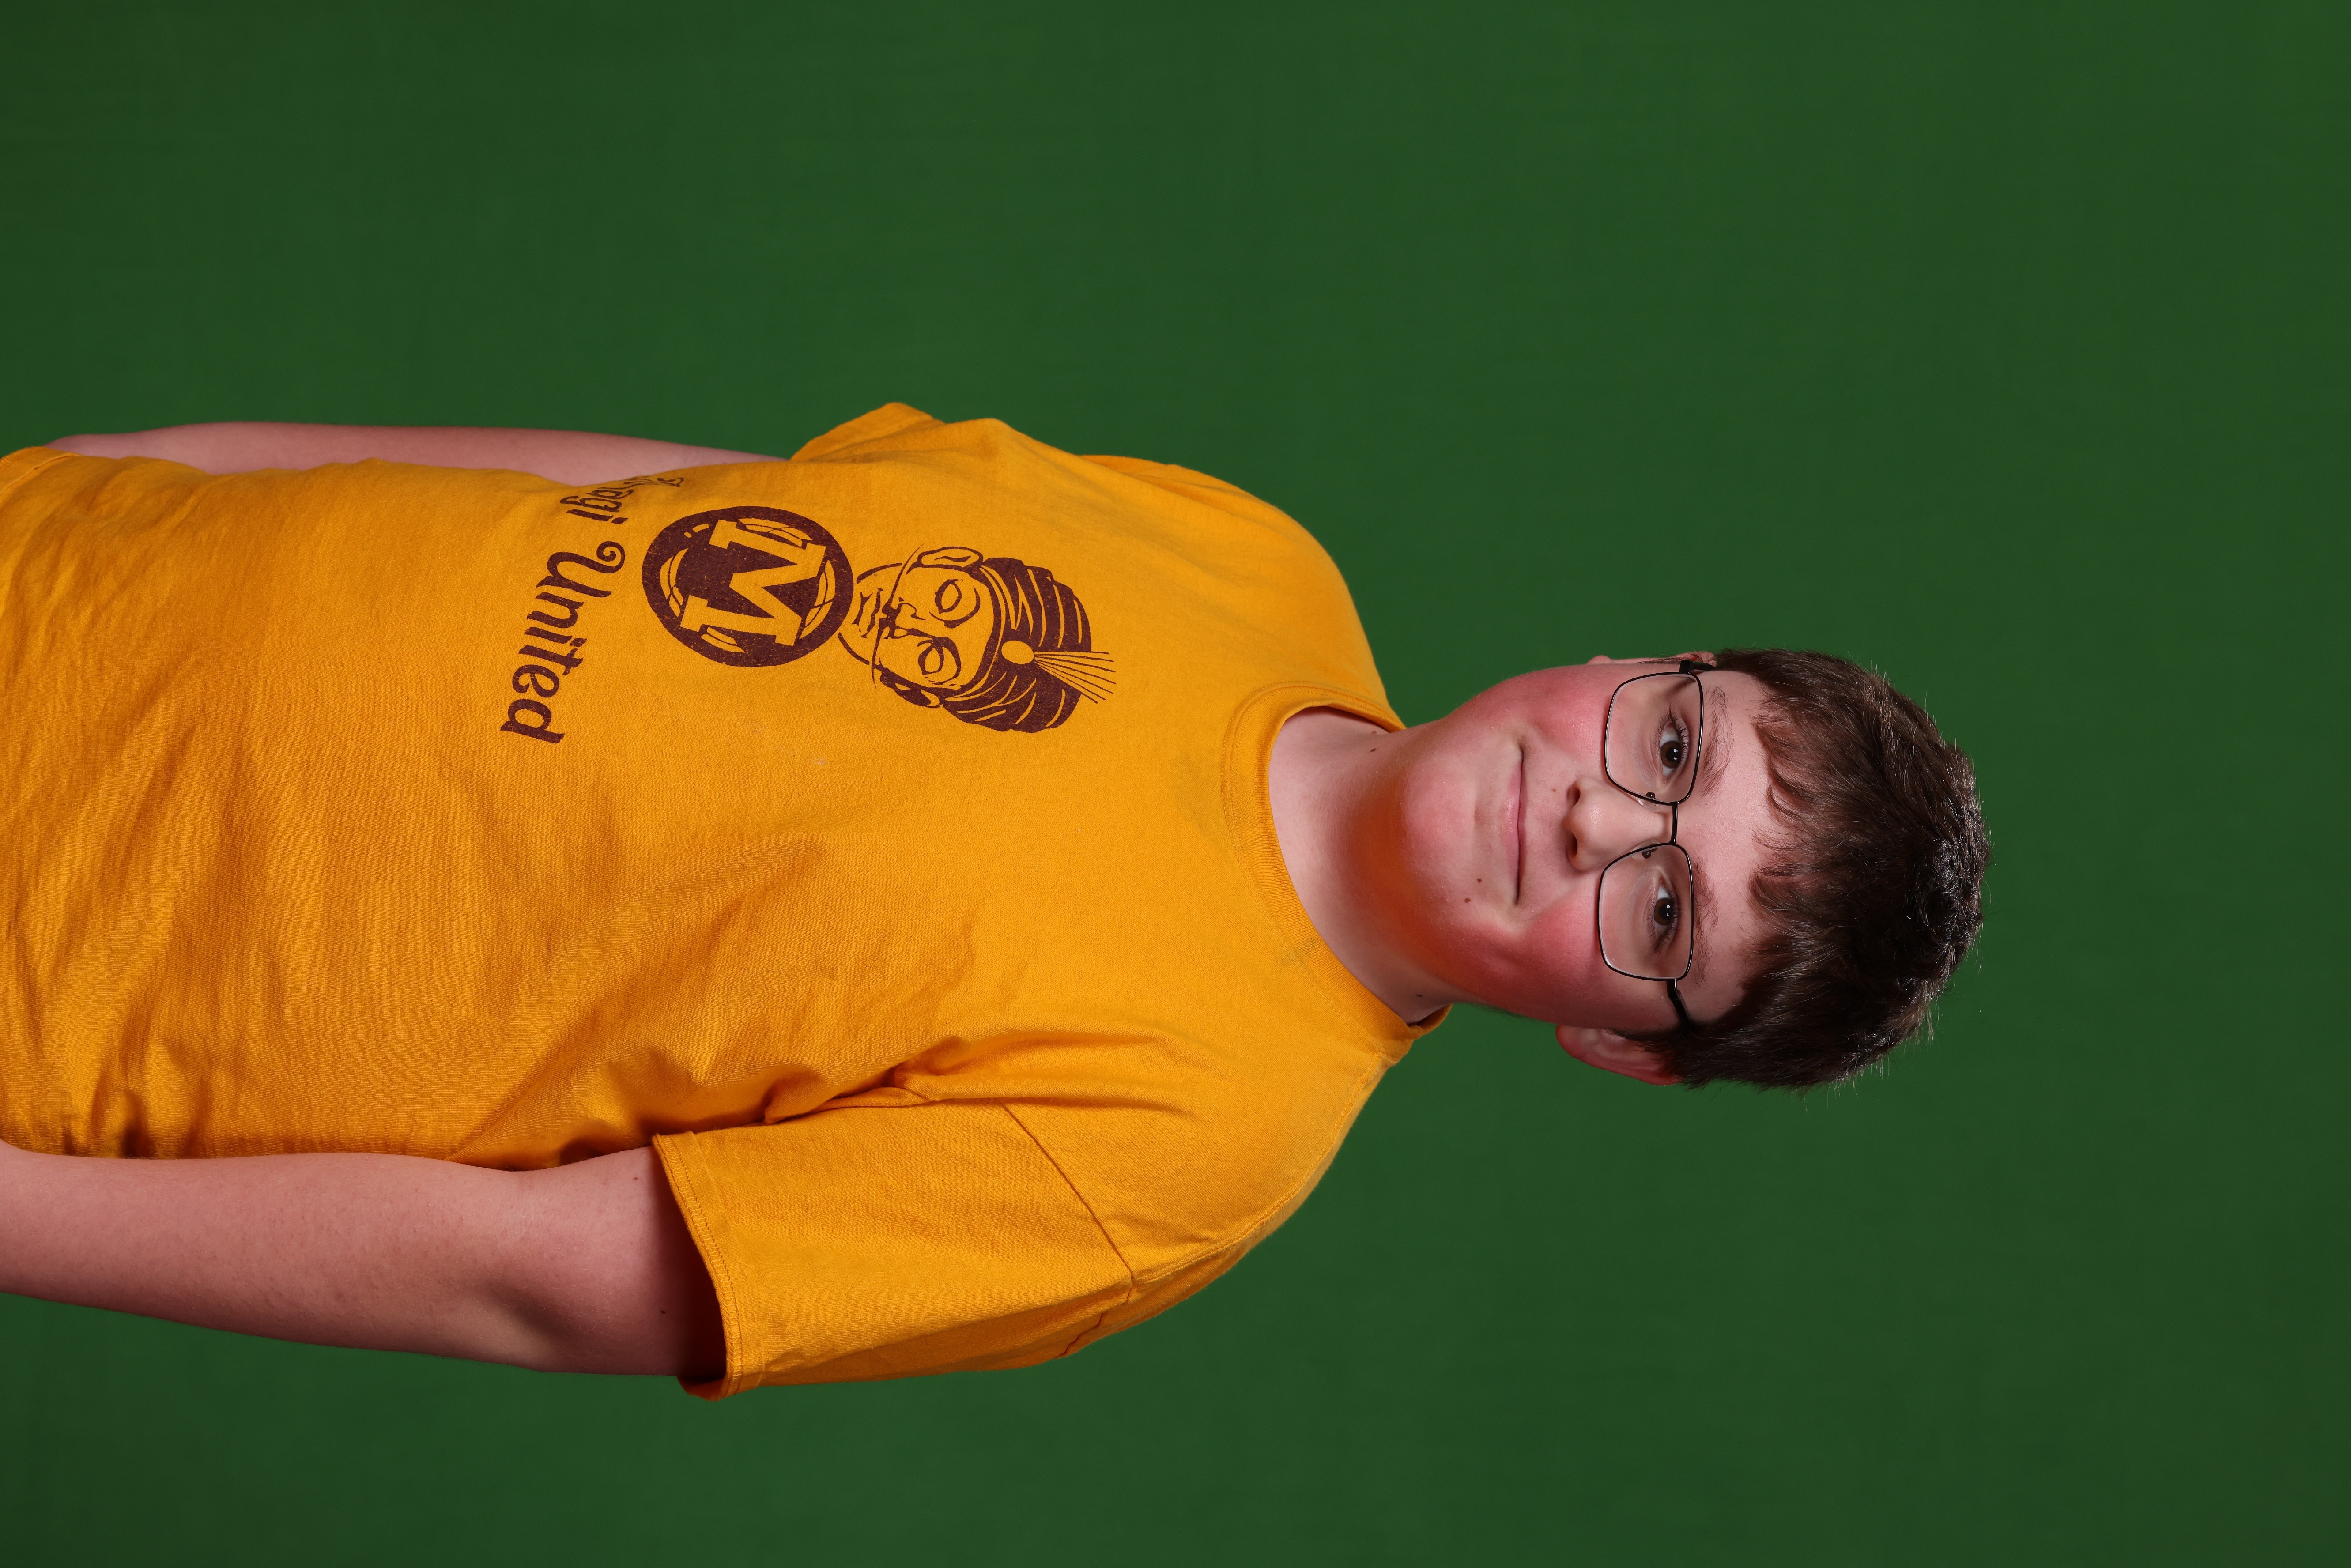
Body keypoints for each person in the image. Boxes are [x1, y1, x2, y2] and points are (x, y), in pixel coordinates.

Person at [0, 406, 1987, 1395]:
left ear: (1619, 1048)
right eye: (1672, 744)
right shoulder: (1253, 560)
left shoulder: (1191, 1153)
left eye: (1662, 918)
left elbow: (521, 1275)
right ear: (1641, 662)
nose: (1594, 818)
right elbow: (671, 490)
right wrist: (153, 462)